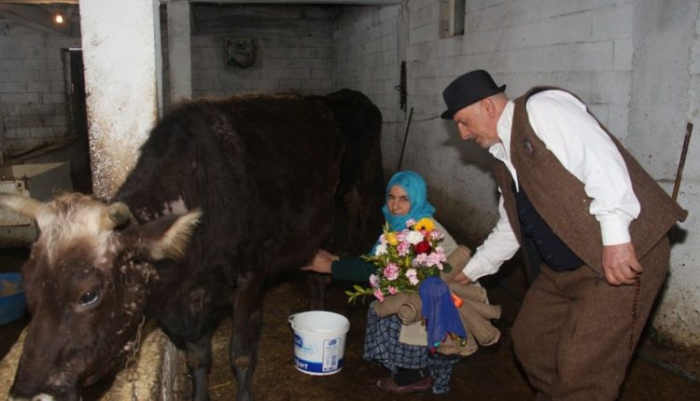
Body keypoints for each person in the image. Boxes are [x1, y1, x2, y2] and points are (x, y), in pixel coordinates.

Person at [440, 69, 687, 400]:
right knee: (531, 341)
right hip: (564, 267)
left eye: (463, 122)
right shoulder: (503, 160)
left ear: (487, 106)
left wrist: (615, 240)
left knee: (583, 367)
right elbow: (511, 228)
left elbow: (602, 163)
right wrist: (468, 274)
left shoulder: (543, 109)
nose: (463, 134)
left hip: (619, 257)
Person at [302, 170, 461, 394]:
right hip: (430, 293)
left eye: (404, 199)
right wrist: (338, 261)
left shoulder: (422, 232)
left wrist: (331, 267)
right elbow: (379, 262)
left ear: (417, 199)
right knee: (389, 297)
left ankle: (414, 376)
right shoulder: (404, 223)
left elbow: (380, 269)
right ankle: (415, 370)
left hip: (449, 301)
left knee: (396, 306)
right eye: (391, 197)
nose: (395, 205)